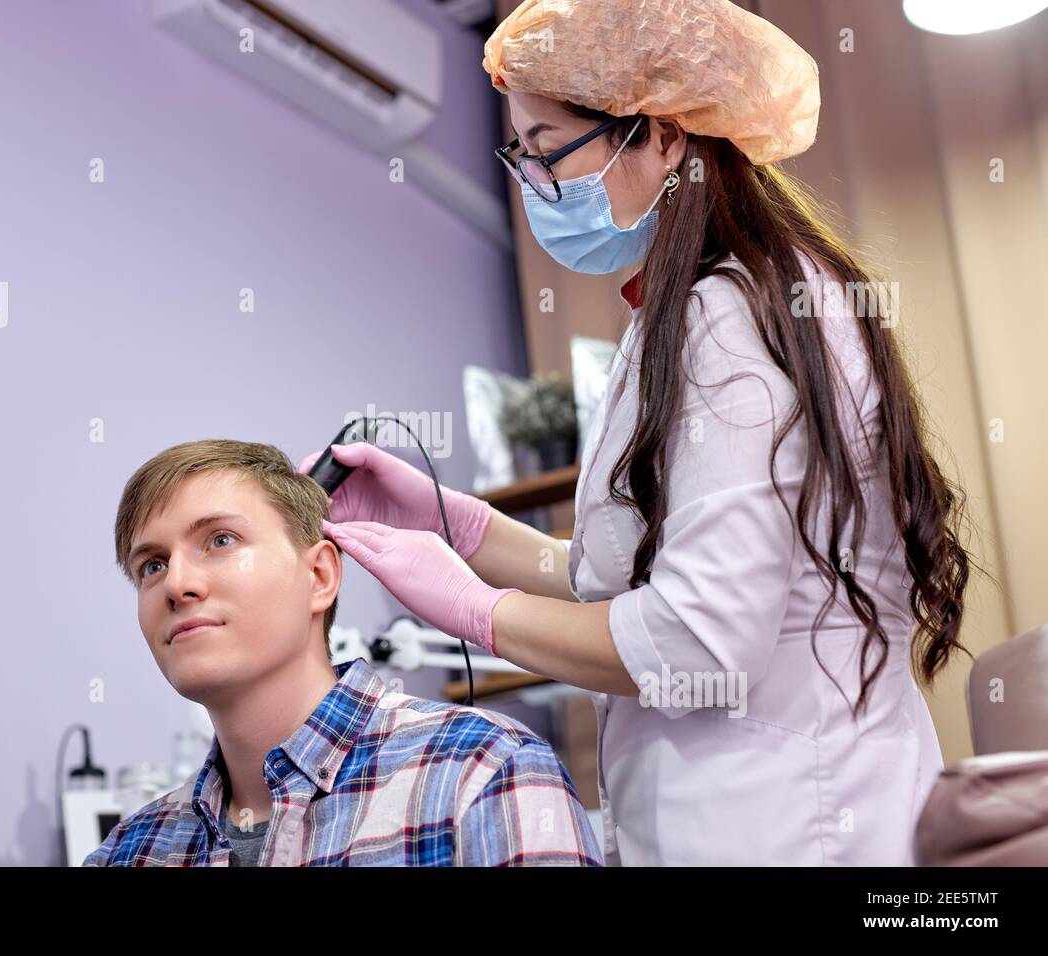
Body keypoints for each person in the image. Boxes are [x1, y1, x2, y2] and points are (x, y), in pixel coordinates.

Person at [311, 0, 973, 865]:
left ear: (662, 136)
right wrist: (454, 524)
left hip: (791, 821)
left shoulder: (728, 320)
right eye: (524, 157)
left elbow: (699, 634)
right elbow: (644, 573)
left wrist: (478, 612)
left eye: (550, 151)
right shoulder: (701, 310)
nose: (539, 184)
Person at [83, 439, 601, 866]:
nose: (177, 584)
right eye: (151, 565)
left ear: (320, 575)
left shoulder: (481, 774)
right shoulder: (129, 853)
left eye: (220, 540)